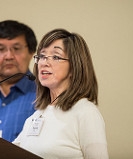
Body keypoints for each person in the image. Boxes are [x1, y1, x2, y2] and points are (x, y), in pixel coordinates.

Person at [13, 29, 109, 159]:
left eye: (56, 57)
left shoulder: (86, 113)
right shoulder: (37, 115)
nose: (44, 62)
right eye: (42, 56)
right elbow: (7, 152)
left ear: (74, 67)